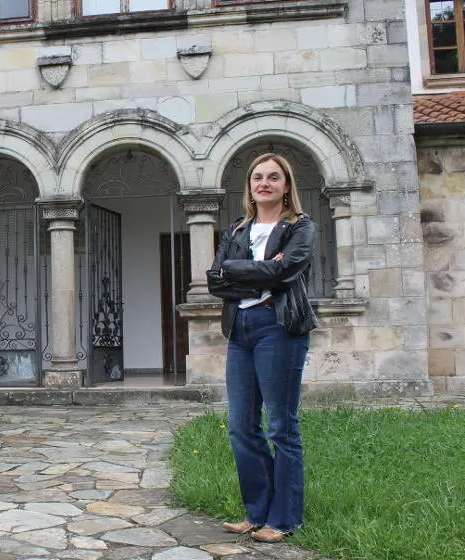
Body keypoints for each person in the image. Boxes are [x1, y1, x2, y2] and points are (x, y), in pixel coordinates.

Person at [206, 152, 319, 543]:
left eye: (274, 177)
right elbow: (215, 281)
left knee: (281, 428)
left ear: (287, 186)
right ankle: (257, 513)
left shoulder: (300, 228)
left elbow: (287, 271)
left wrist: (240, 272)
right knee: (240, 427)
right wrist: (263, 274)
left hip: (279, 327)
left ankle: (284, 519)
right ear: (249, 186)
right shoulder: (237, 229)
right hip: (241, 330)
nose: (264, 183)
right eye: (258, 177)